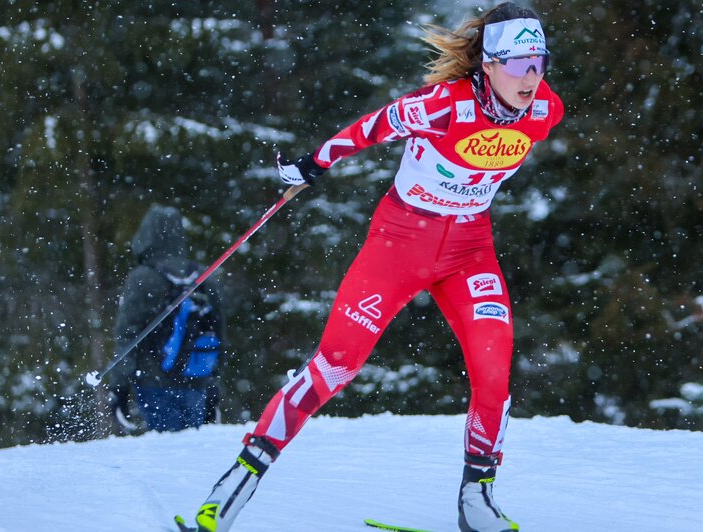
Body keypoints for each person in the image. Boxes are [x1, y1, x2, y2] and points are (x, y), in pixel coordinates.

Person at [176, 3, 563, 531]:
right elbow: (371, 128)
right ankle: (238, 481)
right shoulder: (442, 106)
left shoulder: (545, 111)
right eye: (518, 65)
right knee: (335, 365)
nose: (531, 78)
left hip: (470, 250)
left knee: (493, 374)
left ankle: (478, 499)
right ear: (488, 65)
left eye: (539, 63)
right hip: (401, 242)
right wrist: (312, 165)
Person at [110, 205, 227, 433]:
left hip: (154, 381)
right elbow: (219, 333)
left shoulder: (143, 278)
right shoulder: (202, 276)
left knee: (164, 454)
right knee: (189, 454)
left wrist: (119, 387)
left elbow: (127, 334)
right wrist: (213, 389)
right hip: (197, 380)